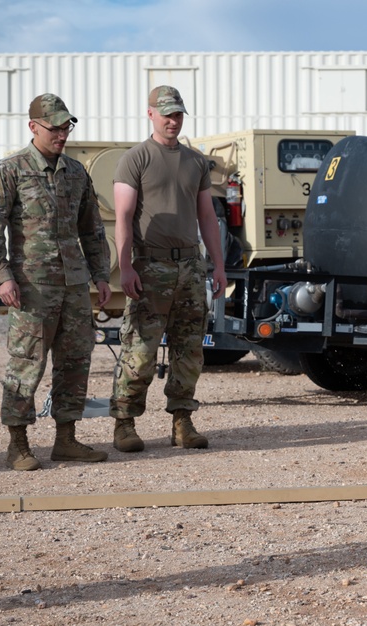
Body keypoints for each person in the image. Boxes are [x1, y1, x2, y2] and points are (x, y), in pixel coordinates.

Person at [0, 94, 112, 470]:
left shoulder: (76, 172)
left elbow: (92, 230)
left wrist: (101, 275)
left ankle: (66, 439)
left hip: (74, 285)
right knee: (26, 363)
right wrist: (2, 276)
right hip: (32, 287)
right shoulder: (10, 170)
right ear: (33, 126)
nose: (61, 133)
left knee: (75, 361)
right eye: (53, 126)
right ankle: (17, 444)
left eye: (65, 126)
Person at [109, 85, 227, 452]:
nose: (172, 120)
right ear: (150, 114)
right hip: (151, 265)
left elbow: (207, 216)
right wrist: (126, 268)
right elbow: (123, 217)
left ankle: (182, 420)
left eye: (177, 114)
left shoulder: (195, 162)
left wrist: (218, 265)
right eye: (166, 114)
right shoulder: (136, 158)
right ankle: (125, 423)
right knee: (140, 350)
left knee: (189, 349)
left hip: (190, 267)